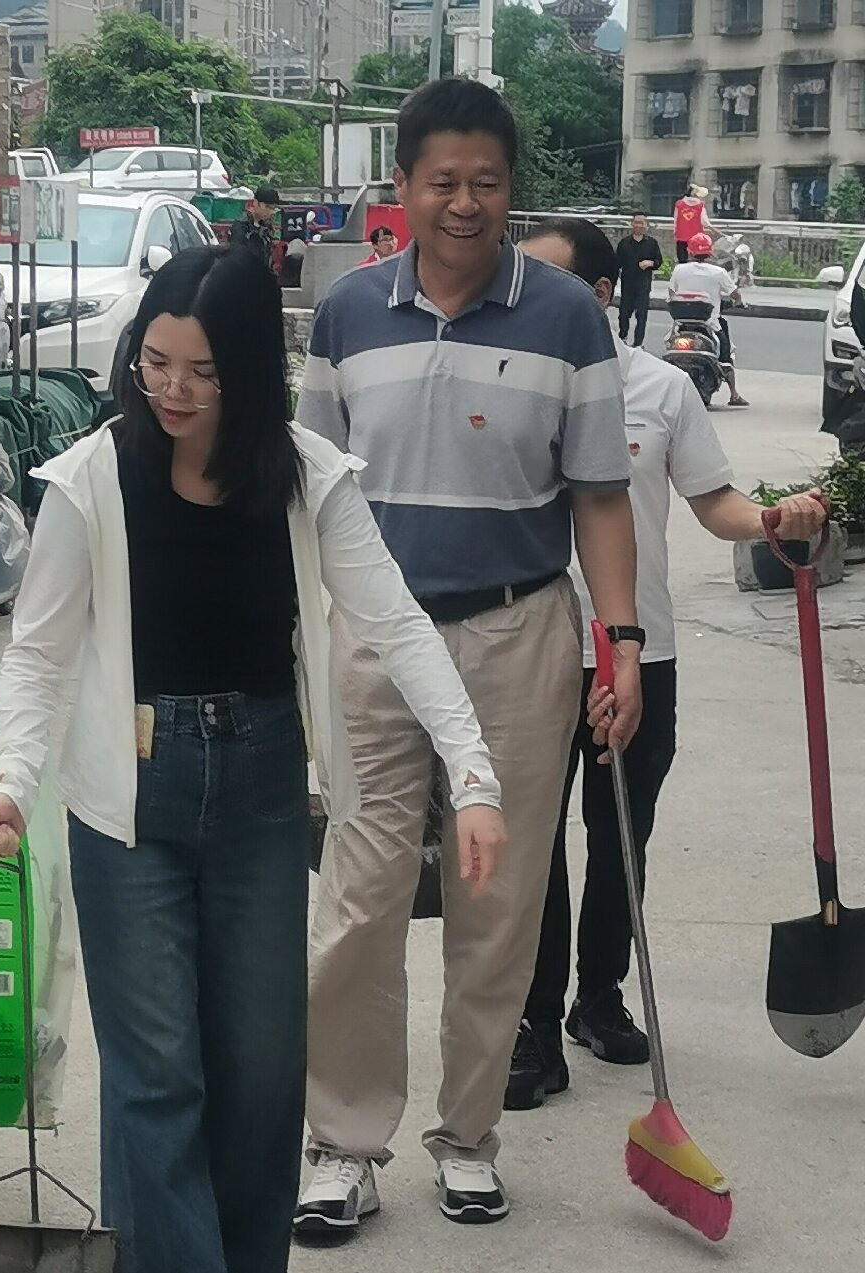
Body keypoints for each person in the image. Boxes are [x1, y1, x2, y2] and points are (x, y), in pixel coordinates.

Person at [0, 243, 507, 1273]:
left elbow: (396, 623)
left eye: (203, 372)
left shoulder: (305, 476)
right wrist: (11, 783)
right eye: (155, 363)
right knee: (156, 1077)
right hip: (127, 795)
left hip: (260, 782)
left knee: (261, 1073)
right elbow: (36, 653)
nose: (172, 390)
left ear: (250, 371)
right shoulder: (93, 477)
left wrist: (471, 776)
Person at [293, 78, 641, 1233]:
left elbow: (599, 497)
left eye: (486, 182)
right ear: (399, 187)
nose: (464, 202)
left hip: (517, 631)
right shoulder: (347, 314)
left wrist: (620, 643)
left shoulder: (568, 318)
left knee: (500, 899)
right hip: (376, 640)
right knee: (360, 896)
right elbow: (310, 493)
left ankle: (470, 1137)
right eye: (441, 181)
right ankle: (342, 1142)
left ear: (509, 189)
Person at [505, 218, 826, 1108]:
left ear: (602, 293)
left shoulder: (659, 388)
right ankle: (532, 1022)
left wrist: (771, 520)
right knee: (532, 844)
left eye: (546, 283)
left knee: (621, 835)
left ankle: (598, 996)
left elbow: (713, 501)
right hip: (527, 653)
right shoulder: (505, 381)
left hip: (639, 652)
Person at [670, 232, 749, 407]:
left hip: (682, 323)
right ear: (709, 252)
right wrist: (738, 302)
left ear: (689, 251)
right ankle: (734, 394)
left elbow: (671, 293)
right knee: (725, 355)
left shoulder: (679, 270)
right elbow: (735, 294)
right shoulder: (718, 272)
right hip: (710, 323)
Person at [614, 213, 663, 347]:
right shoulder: (624, 243)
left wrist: (650, 263)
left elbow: (658, 261)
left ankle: (638, 343)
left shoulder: (652, 243)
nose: (638, 226)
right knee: (624, 313)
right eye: (636, 222)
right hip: (627, 282)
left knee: (641, 315)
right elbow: (616, 262)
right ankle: (622, 337)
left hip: (643, 283)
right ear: (632, 224)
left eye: (642, 223)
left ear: (646, 226)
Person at [229, 184, 281, 273]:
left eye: (272, 208)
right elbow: (236, 256)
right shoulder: (241, 226)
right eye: (267, 206)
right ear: (255, 203)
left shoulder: (266, 227)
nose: (269, 211)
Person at [671, 184, 715, 263]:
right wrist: (712, 228)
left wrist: (675, 232)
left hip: (681, 235)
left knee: (682, 260)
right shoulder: (700, 205)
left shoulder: (679, 204)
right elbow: (704, 222)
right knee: (696, 260)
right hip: (696, 238)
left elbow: (676, 220)